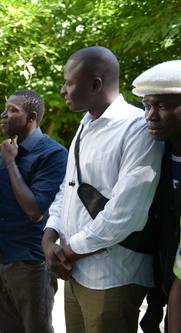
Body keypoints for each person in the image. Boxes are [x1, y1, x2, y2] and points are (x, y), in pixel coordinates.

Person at [41, 46, 163, 333]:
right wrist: (49, 237)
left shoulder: (137, 129)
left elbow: (125, 214)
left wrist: (67, 253)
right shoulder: (84, 127)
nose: (62, 90)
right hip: (76, 272)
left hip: (113, 277)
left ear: (95, 84)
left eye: (69, 82)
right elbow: (67, 189)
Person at [0, 90, 68, 333]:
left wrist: (11, 162)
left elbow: (35, 211)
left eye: (12, 110)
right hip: (1, 254)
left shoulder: (53, 154)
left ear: (31, 117)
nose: (4, 114)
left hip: (30, 261)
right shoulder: (11, 148)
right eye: (5, 108)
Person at [131, 60, 181, 333]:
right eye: (147, 106)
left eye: (161, 106)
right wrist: (155, 304)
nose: (150, 115)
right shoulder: (155, 158)